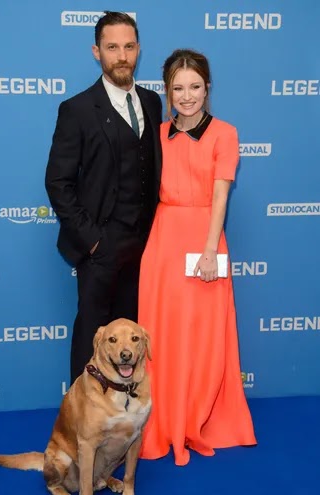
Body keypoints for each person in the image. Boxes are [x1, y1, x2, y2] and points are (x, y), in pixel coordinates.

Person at [138, 49, 257, 466]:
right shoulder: (157, 132)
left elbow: (221, 195)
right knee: (164, 334)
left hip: (204, 240)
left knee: (204, 336)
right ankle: (162, 421)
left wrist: (209, 249)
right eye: (178, 88)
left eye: (195, 87)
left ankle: (197, 418)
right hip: (163, 241)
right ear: (167, 91)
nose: (187, 96)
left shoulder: (224, 133)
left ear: (208, 87)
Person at [45, 12, 162, 385]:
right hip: (101, 246)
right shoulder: (77, 109)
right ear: (97, 52)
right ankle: (82, 419)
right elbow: (58, 182)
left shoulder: (152, 102)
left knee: (132, 339)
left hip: (144, 246)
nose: (122, 55)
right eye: (112, 47)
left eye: (129, 46)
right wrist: (93, 240)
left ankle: (125, 421)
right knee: (92, 338)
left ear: (139, 50)